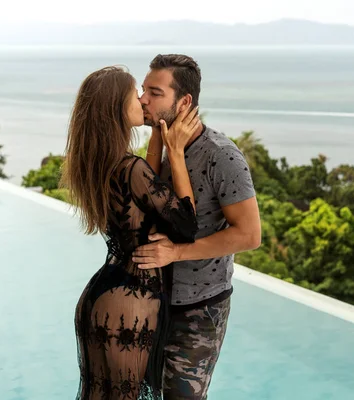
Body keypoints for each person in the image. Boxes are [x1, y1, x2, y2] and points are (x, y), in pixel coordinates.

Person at [61, 65, 202, 400]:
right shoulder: (131, 169)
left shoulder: (100, 163)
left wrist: (157, 135)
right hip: (130, 306)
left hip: (100, 298)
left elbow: (144, 195)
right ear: (115, 108)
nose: (142, 100)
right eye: (133, 95)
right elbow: (186, 225)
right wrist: (177, 152)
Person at [133, 54, 261, 399]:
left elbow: (249, 235)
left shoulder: (222, 156)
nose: (142, 98)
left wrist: (176, 252)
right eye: (143, 90)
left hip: (198, 309)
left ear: (184, 101)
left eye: (154, 92)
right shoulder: (157, 149)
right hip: (153, 299)